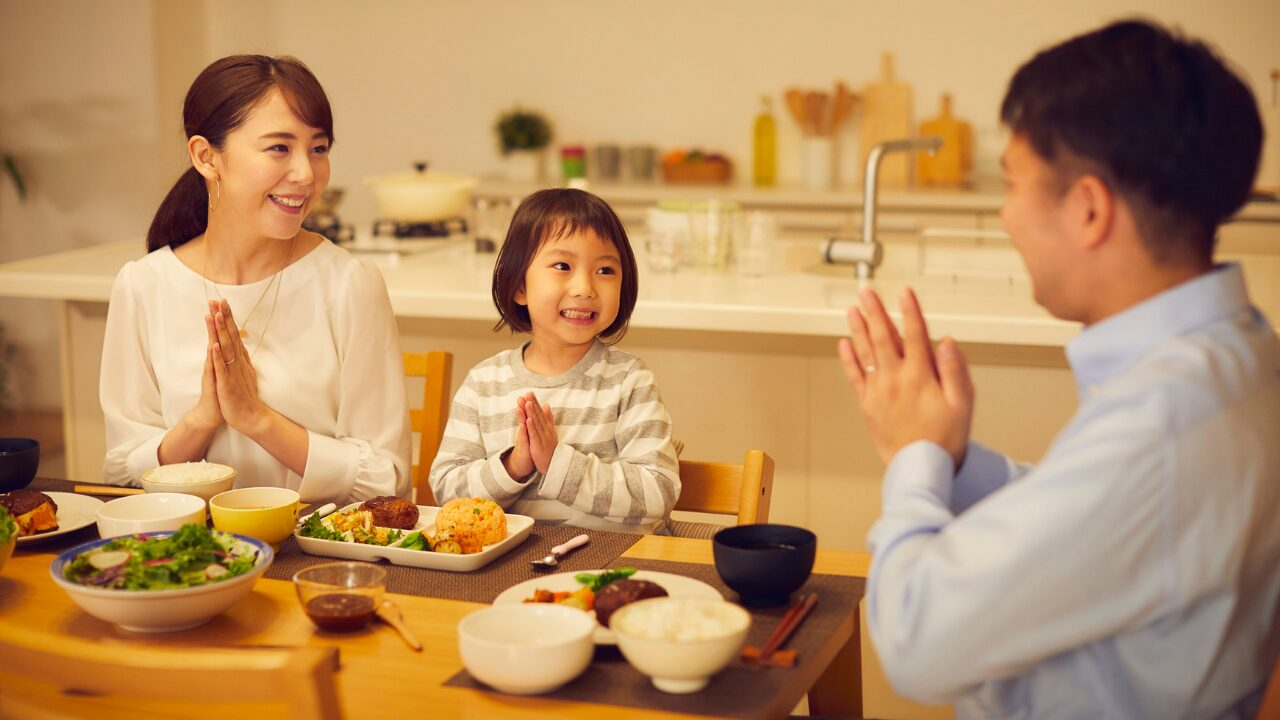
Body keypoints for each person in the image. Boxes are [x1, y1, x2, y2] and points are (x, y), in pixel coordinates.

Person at [837, 20, 1279, 719]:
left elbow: (916, 639)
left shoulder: (1160, 427)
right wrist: (953, 459)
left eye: (1013, 184)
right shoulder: (1244, 355)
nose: (1006, 214)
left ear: (1089, 209)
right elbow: (1093, 518)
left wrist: (912, 455)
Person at [100, 55, 410, 505]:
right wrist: (202, 419)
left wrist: (256, 418)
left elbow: (387, 479)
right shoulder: (143, 286)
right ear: (206, 157)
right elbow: (122, 475)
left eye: (319, 148)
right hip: (186, 542)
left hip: (310, 546)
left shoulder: (349, 283)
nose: (306, 174)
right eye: (279, 148)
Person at [430, 189, 680, 533]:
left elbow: (658, 492)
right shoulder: (484, 383)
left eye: (605, 270)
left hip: (616, 559)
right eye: (563, 266)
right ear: (519, 286)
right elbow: (446, 491)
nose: (585, 287)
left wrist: (557, 464)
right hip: (517, 561)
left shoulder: (628, 380)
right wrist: (514, 466)